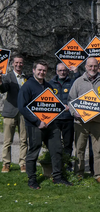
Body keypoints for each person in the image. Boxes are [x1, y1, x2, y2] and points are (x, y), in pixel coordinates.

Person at [18, 60, 72, 189]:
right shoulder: (27, 86)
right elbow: (22, 107)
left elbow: (51, 105)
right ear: (34, 70)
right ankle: (32, 180)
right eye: (39, 70)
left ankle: (57, 177)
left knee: (57, 150)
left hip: (51, 125)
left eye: (44, 70)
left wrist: (60, 107)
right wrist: (37, 121)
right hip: (35, 125)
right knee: (33, 152)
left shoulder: (48, 86)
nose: (42, 72)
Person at [68, 57, 100, 183]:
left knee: (98, 149)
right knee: (80, 148)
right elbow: (71, 100)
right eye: (90, 66)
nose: (93, 68)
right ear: (85, 67)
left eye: (95, 66)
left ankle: (98, 174)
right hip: (81, 121)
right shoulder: (78, 81)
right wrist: (74, 112)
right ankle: (78, 172)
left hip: (99, 121)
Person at [48, 63, 79, 169]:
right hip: (55, 119)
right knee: (55, 143)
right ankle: (55, 164)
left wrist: (76, 72)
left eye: (64, 70)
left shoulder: (72, 82)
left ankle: (67, 164)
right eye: (60, 70)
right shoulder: (50, 84)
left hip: (68, 118)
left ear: (67, 71)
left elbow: (80, 88)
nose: (62, 72)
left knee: (68, 143)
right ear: (56, 71)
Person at [0, 54, 28, 173]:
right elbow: (3, 89)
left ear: (23, 64)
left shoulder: (27, 78)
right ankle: (6, 163)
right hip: (10, 112)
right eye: (16, 62)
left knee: (24, 140)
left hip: (23, 113)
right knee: (7, 141)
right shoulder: (7, 77)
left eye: (20, 62)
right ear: (12, 64)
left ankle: (23, 163)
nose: (18, 64)